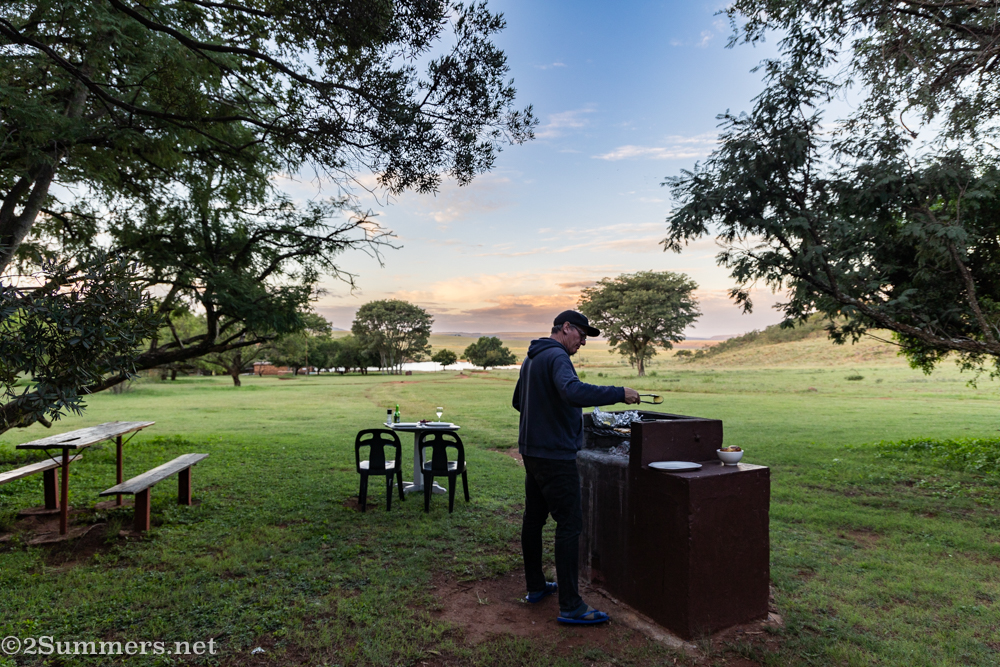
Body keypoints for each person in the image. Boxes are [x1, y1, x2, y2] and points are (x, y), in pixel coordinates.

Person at [511, 309, 639, 624]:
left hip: (532, 451)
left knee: (534, 519)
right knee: (570, 524)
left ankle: (536, 587)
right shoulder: (556, 356)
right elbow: (572, 391)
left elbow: (518, 401)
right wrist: (619, 393)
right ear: (565, 328)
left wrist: (545, 415)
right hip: (555, 455)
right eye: (581, 335)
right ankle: (571, 606)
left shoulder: (532, 358)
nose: (582, 342)